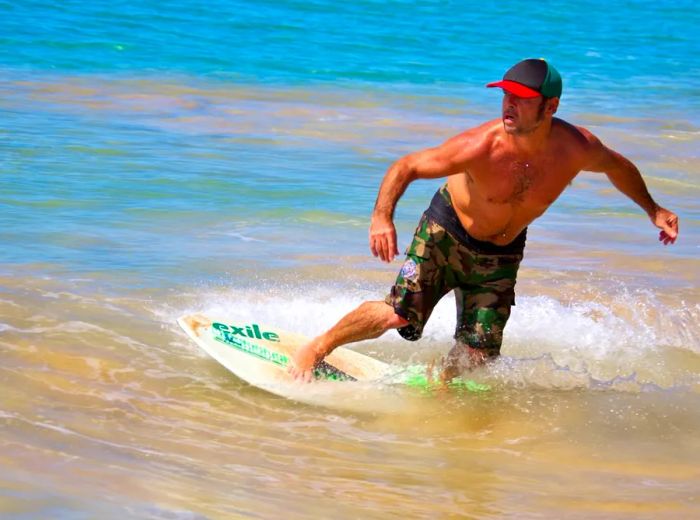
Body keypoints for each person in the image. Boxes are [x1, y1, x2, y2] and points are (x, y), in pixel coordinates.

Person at [289, 58, 680, 383]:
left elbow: (618, 166)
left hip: (502, 254)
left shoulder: (576, 148)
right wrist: (381, 217)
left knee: (479, 353)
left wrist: (653, 209)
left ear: (551, 106)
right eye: (506, 95)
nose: (509, 105)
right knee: (398, 313)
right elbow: (407, 165)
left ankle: (440, 383)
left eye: (522, 99)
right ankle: (317, 348)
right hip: (446, 234)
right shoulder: (480, 146)